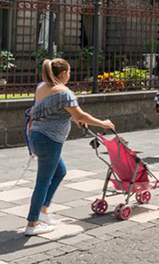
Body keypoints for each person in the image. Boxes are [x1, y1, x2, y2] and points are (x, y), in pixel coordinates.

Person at [25, 59, 115, 236]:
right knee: (43, 181)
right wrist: (103, 124)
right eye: (69, 72)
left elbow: (58, 111)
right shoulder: (64, 93)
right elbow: (80, 114)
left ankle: (43, 210)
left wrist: (77, 119)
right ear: (63, 74)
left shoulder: (41, 87)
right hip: (50, 140)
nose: (70, 75)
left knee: (60, 171)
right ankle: (32, 223)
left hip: (36, 136)